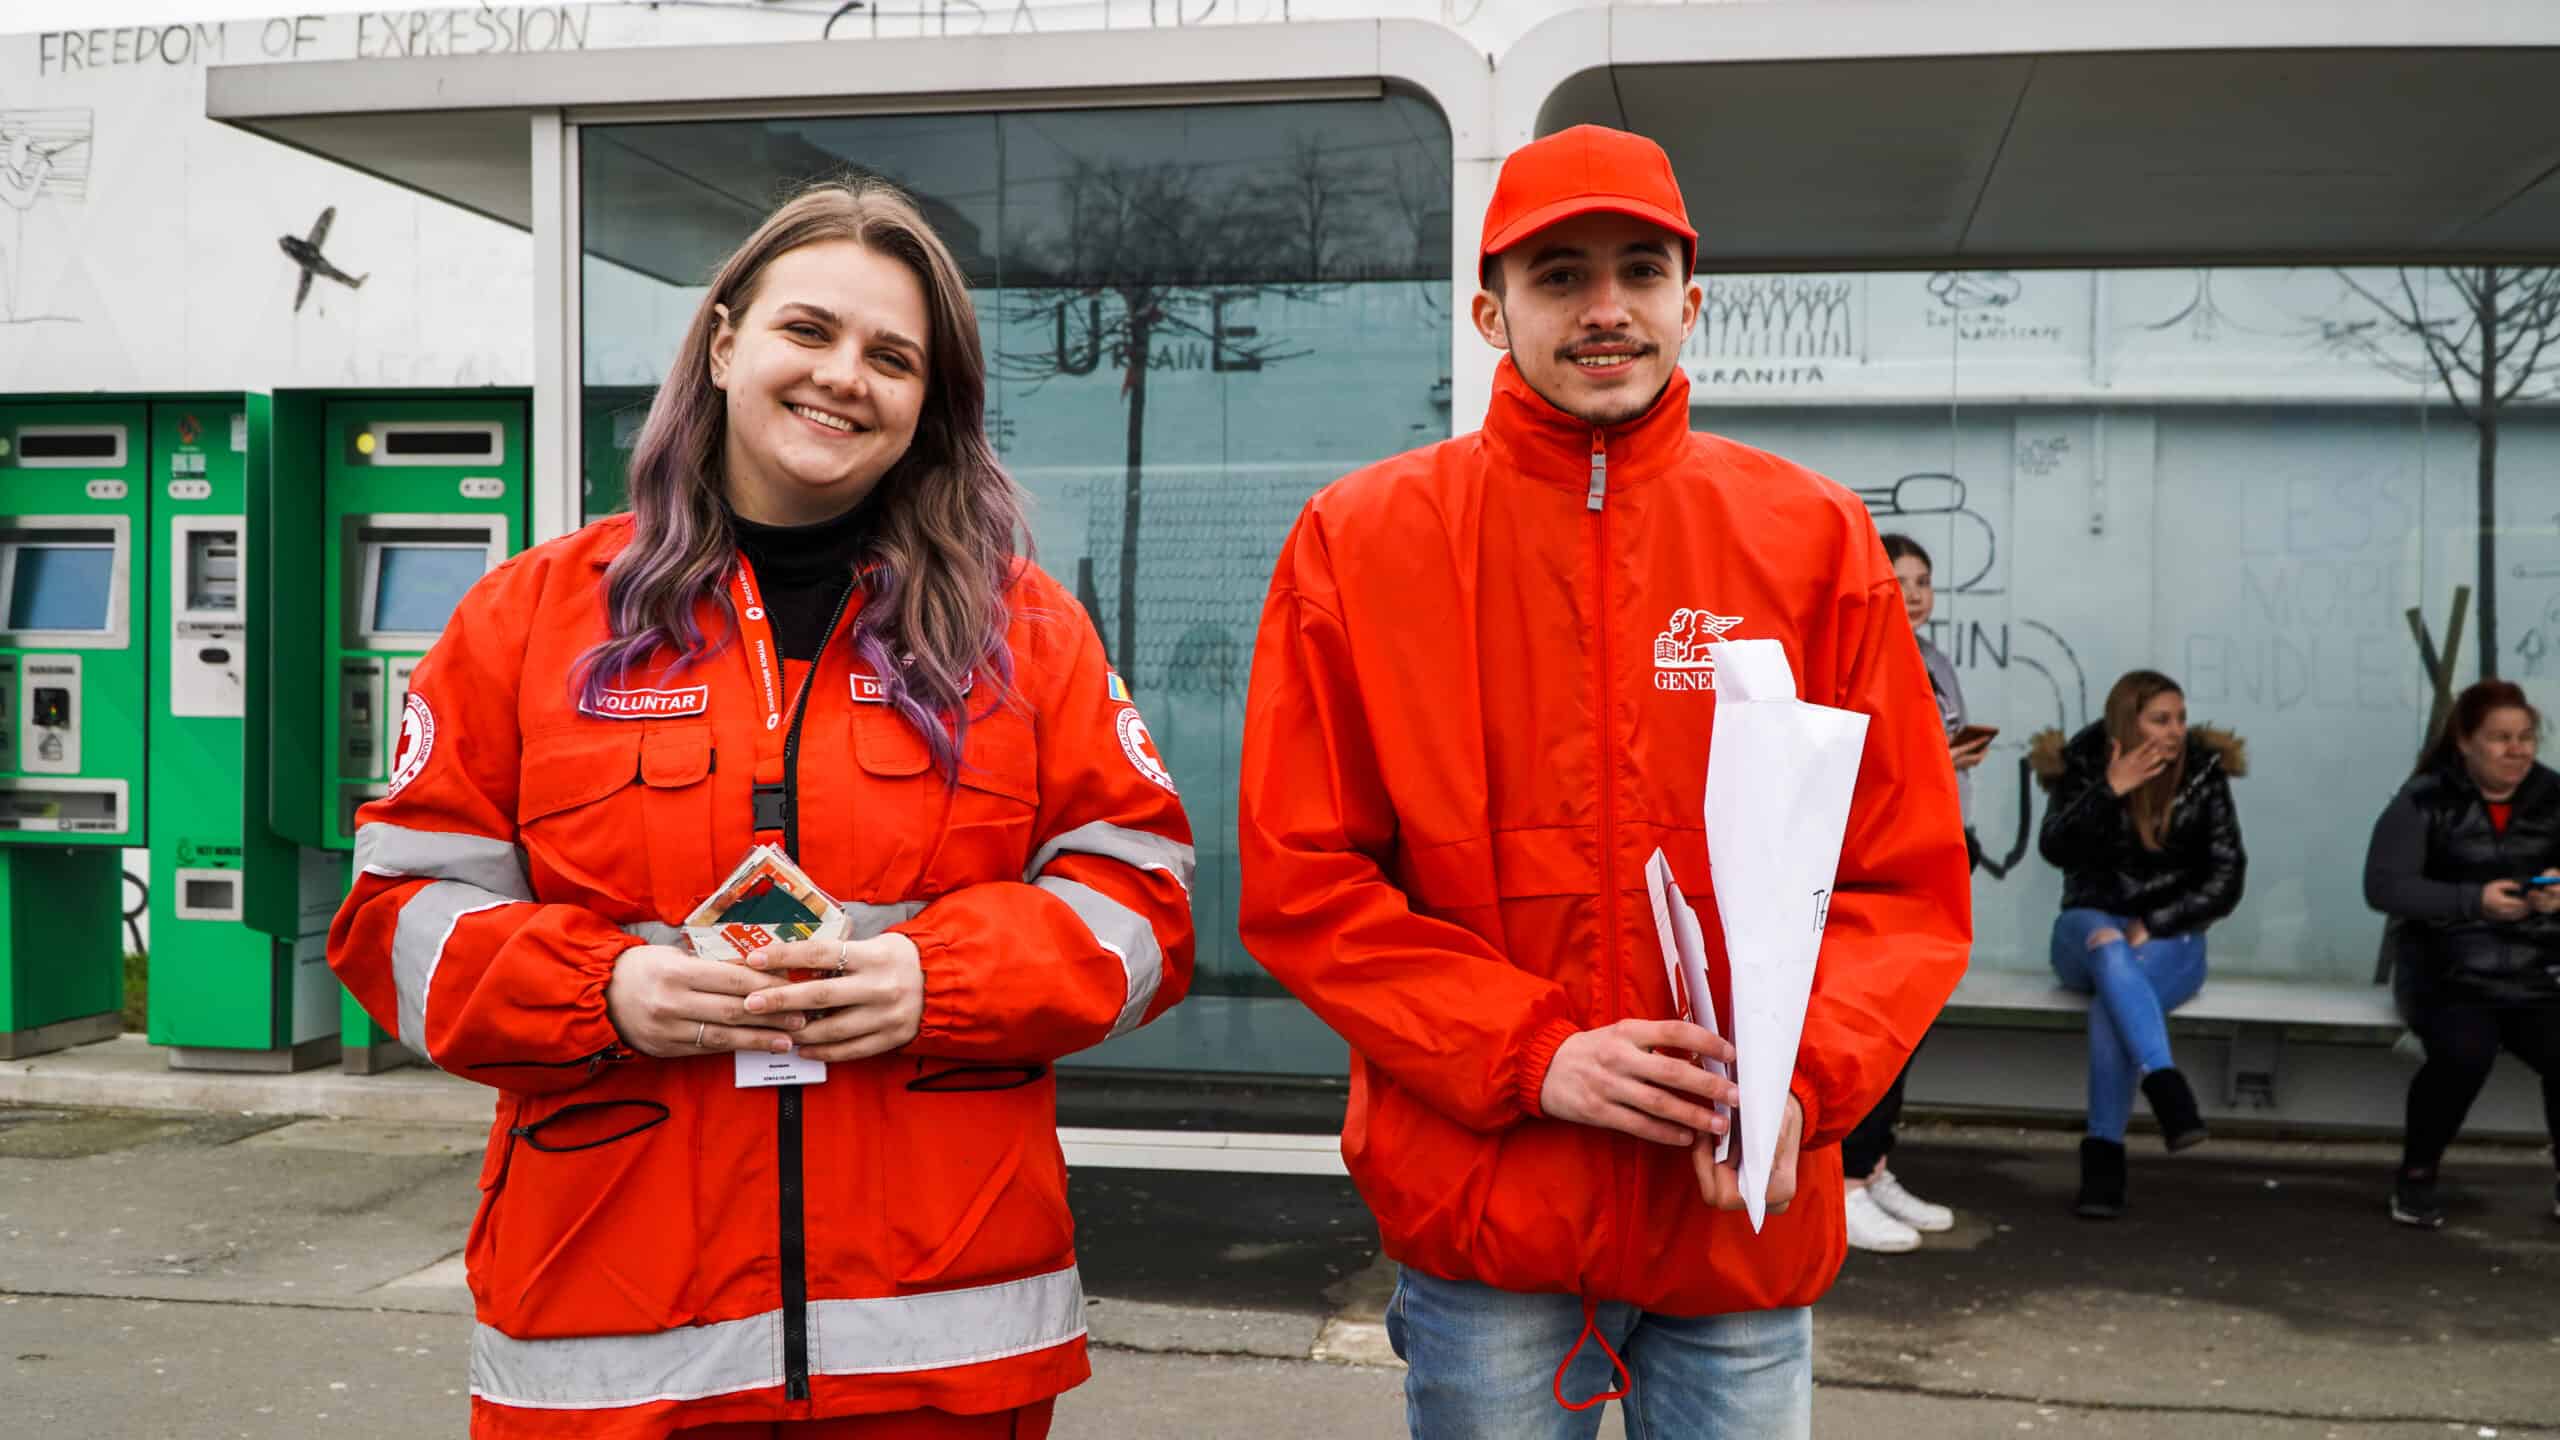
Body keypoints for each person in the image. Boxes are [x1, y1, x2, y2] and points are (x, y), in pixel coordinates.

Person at [327, 178, 1196, 1439]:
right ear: (725, 341)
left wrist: (930, 980)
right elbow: (393, 921)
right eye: (809, 331)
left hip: (942, 1353)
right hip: (612, 1349)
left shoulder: (1022, 633)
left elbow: (1145, 908)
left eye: (892, 357)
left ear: (925, 404)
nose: (845, 376)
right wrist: (601, 991)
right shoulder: (528, 619)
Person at [1237, 125, 1972, 1439]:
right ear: (1489, 308)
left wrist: (1794, 1088)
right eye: (1559, 274)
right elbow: (1308, 882)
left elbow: (1902, 879)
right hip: (1492, 1222)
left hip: (1736, 1224)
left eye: (1639, 269)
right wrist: (1538, 1056)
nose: (1605, 308)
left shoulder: (1813, 538)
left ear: (1692, 301)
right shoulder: (1362, 540)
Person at [2029, 669, 2245, 1219]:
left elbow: (2227, 875)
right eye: (2160, 720)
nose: (2175, 732)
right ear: (2128, 721)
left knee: (2113, 998)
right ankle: (2165, 1082)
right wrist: (2111, 789)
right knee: (2106, 946)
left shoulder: (2202, 773)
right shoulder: (2083, 761)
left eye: (2180, 718)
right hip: (2086, 930)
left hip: (2169, 937)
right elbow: (2055, 847)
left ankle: (2104, 1160)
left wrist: (2160, 917)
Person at [1839, 533, 1991, 1253]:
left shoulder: (1934, 659)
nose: (1917, 593)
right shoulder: (1863, 655)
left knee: (1915, 1021)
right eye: (1900, 581)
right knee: (1877, 1024)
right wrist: (1934, 755)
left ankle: (1874, 1168)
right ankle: (1842, 1184)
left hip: (1938, 850)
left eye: (1925, 579)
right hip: (1882, 860)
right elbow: (1863, 757)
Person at [2364, 680, 2560, 1229]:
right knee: (2463, 1052)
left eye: (2526, 737)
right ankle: (2418, 1174)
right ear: (2465, 741)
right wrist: (2472, 901)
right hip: (2444, 967)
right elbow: (2384, 887)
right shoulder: (2423, 799)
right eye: (2500, 738)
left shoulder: (2554, 796)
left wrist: (2554, 896)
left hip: (2534, 966)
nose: (2517, 750)